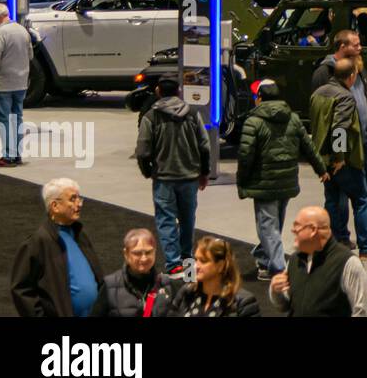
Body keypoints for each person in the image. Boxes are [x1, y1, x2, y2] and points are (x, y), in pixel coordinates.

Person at [311, 32, 367, 252]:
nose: (361, 47)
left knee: (349, 191)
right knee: (357, 197)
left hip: (349, 145)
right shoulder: (336, 86)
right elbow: (337, 125)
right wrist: (339, 155)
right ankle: (363, 246)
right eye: (356, 44)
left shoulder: (352, 72)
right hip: (345, 150)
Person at [236, 79, 328, 281]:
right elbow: (308, 147)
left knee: (267, 228)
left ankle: (279, 269)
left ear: (259, 98)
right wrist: (321, 169)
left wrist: (242, 181)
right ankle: (263, 259)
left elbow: (245, 155)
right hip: (286, 181)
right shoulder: (293, 119)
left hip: (263, 183)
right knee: (272, 227)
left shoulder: (253, 121)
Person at [135, 78, 210, 277]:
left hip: (164, 178)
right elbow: (204, 145)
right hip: (189, 177)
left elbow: (142, 150)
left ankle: (173, 264)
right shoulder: (193, 114)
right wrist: (204, 172)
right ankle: (188, 265)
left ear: (158, 91)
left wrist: (147, 170)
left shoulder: (151, 117)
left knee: (166, 220)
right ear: (179, 91)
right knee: (187, 220)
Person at [11, 178, 103, 317]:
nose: (79, 204)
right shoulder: (38, 242)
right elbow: (21, 289)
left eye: (79, 198)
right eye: (72, 199)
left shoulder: (80, 234)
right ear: (55, 206)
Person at [270, 206, 367, 317]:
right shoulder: (294, 260)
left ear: (313, 230)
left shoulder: (348, 263)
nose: (293, 230)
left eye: (297, 226)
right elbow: (284, 306)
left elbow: (362, 312)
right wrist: (276, 291)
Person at [92, 228, 180, 318]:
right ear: (126, 254)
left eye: (148, 252)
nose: (144, 258)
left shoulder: (167, 284)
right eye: (137, 253)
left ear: (155, 251)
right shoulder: (110, 285)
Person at [167, 237, 260, 317]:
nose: (196, 266)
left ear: (220, 266)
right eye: (196, 260)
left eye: (203, 261)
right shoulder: (187, 292)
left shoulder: (243, 302)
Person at [0, 1, 32, 167]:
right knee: (17, 118)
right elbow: (30, 55)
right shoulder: (22, 30)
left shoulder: (0, 33)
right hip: (21, 83)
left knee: (4, 120)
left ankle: (8, 156)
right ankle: (17, 154)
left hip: (3, 83)